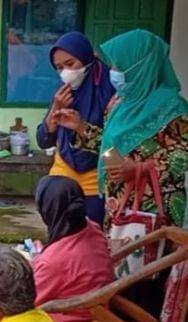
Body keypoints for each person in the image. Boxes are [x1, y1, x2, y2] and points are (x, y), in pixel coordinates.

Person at [53, 29, 188, 228]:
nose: (113, 71)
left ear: (140, 65)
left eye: (119, 65)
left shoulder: (172, 107)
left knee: (153, 257)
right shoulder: (119, 102)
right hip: (118, 204)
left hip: (155, 207)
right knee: (118, 255)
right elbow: (110, 146)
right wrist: (80, 127)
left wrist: (139, 168)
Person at [0, 176, 116, 322]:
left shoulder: (55, 260)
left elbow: (25, 304)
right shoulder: (92, 229)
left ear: (48, 210)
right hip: (95, 317)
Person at [36, 31, 115, 226]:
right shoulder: (64, 92)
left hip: (95, 178)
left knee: (92, 235)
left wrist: (80, 127)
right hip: (62, 172)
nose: (65, 73)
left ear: (86, 58)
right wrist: (55, 110)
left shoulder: (111, 92)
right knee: (59, 234)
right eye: (59, 67)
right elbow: (43, 140)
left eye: (70, 64)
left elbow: (114, 148)